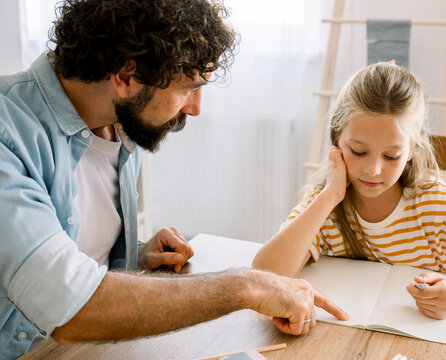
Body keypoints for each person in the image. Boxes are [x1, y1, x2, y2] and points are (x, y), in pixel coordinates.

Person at [0, 0, 348, 358]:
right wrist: (248, 286)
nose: (196, 108)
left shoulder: (118, 128)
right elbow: (70, 306)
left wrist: (129, 256)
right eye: (189, 88)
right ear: (125, 75)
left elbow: (55, 256)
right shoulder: (7, 136)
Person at [252, 62, 446, 320]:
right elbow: (264, 276)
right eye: (358, 151)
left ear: (412, 151)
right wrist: (329, 197)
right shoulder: (326, 203)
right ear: (337, 141)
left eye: (391, 156)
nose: (373, 170)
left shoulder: (438, 207)